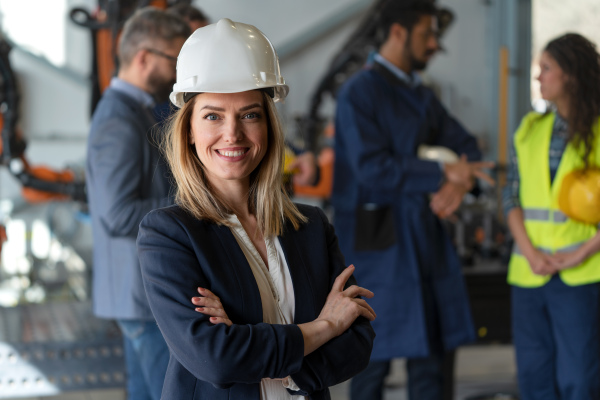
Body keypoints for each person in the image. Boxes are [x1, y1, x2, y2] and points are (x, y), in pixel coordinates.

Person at [136, 18, 376, 400]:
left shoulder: (310, 226)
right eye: (213, 115)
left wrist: (250, 345)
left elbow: (358, 343)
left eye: (249, 114)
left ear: (268, 127)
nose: (232, 134)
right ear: (190, 132)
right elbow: (215, 359)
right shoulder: (169, 234)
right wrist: (325, 326)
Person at [332, 2, 494, 400]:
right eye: (428, 33)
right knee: (371, 357)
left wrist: (458, 185)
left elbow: (469, 150)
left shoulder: (421, 96)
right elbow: (371, 167)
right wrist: (440, 173)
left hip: (425, 238)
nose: (436, 44)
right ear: (399, 33)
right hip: (378, 247)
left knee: (433, 362)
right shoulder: (359, 93)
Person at [85, 8, 190, 400]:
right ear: (144, 57)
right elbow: (116, 214)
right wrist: (191, 202)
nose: (178, 72)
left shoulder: (136, 109)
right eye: (174, 60)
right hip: (140, 296)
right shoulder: (119, 118)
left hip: (137, 296)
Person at [503, 33, 600, 400]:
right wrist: (530, 252)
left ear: (571, 75)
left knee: (580, 381)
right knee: (534, 381)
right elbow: (510, 196)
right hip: (529, 273)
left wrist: (578, 254)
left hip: (579, 275)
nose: (538, 77)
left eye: (546, 68)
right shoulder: (529, 130)